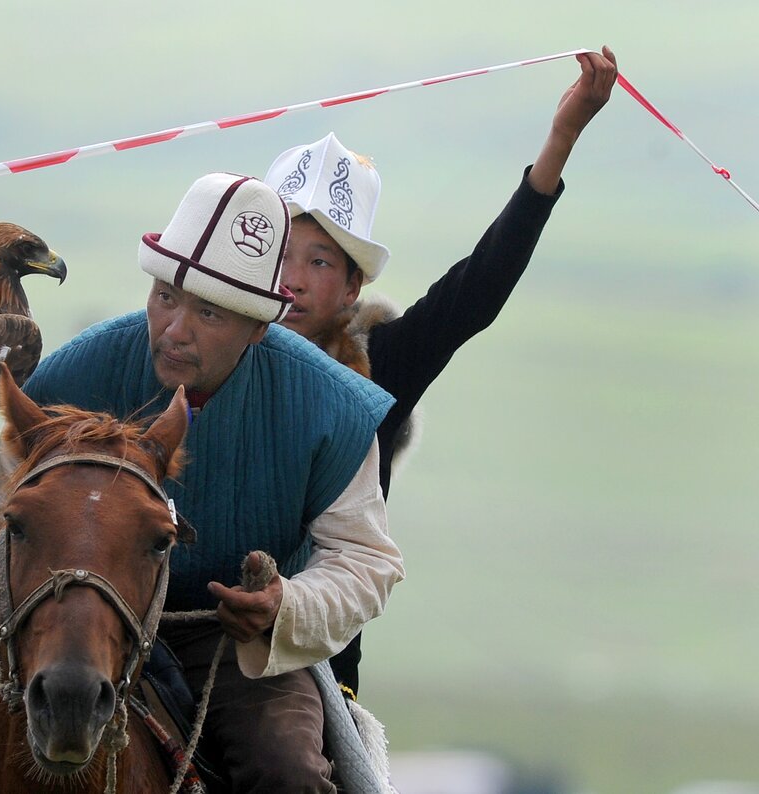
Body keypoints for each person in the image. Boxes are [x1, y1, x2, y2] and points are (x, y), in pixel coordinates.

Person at [0, 173, 404, 793]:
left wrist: (286, 606)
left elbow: (365, 559)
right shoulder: (78, 369)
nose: (175, 328)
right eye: (166, 296)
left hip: (228, 641)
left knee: (289, 774)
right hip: (58, 612)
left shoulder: (330, 408)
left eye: (208, 312)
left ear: (259, 329)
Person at [264, 46, 618, 692]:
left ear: (351, 289)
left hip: (317, 674)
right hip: (193, 634)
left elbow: (476, 290)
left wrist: (561, 139)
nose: (292, 279)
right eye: (283, 252)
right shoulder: (207, 351)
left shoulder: (383, 367)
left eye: (318, 262)